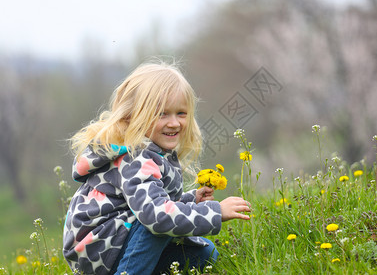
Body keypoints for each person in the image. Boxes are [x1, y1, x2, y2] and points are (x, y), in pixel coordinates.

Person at [63, 62, 251, 275]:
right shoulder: (136, 157)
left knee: (204, 254)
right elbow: (156, 215)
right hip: (99, 249)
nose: (174, 123)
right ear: (135, 115)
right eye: (162, 114)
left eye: (181, 113)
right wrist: (215, 212)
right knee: (158, 223)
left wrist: (192, 200)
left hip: (120, 240)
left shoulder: (156, 151)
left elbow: (154, 200)